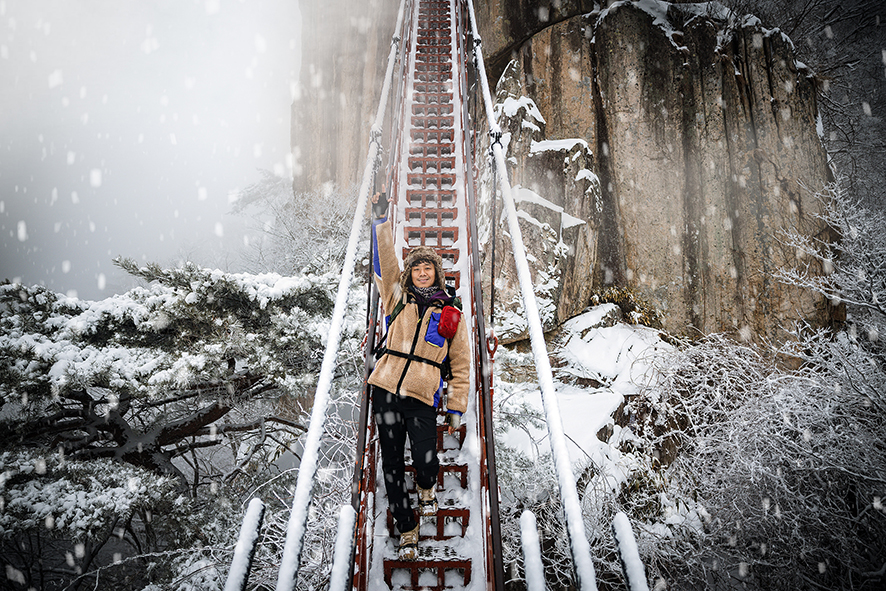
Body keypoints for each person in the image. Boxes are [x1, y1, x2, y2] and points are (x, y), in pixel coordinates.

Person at [368, 189, 469, 561]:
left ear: (437, 275)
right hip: (386, 390)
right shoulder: (397, 297)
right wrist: (380, 221)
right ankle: (407, 527)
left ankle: (427, 486)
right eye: (417, 268)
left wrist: (456, 406)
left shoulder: (450, 314)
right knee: (391, 464)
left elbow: (460, 365)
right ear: (410, 274)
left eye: (428, 268)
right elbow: (387, 262)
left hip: (422, 395)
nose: (422, 272)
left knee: (426, 459)